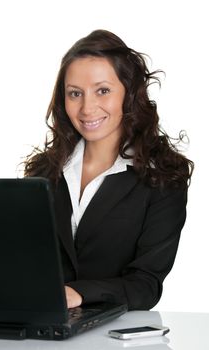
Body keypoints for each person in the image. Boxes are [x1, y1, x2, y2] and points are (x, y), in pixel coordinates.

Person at [24, 29, 194, 311]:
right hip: (43, 326)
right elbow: (23, 260)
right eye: (74, 93)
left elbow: (146, 284)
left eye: (102, 91)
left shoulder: (163, 177)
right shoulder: (44, 171)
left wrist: (79, 294)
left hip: (115, 332)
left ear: (129, 94)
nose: (87, 108)